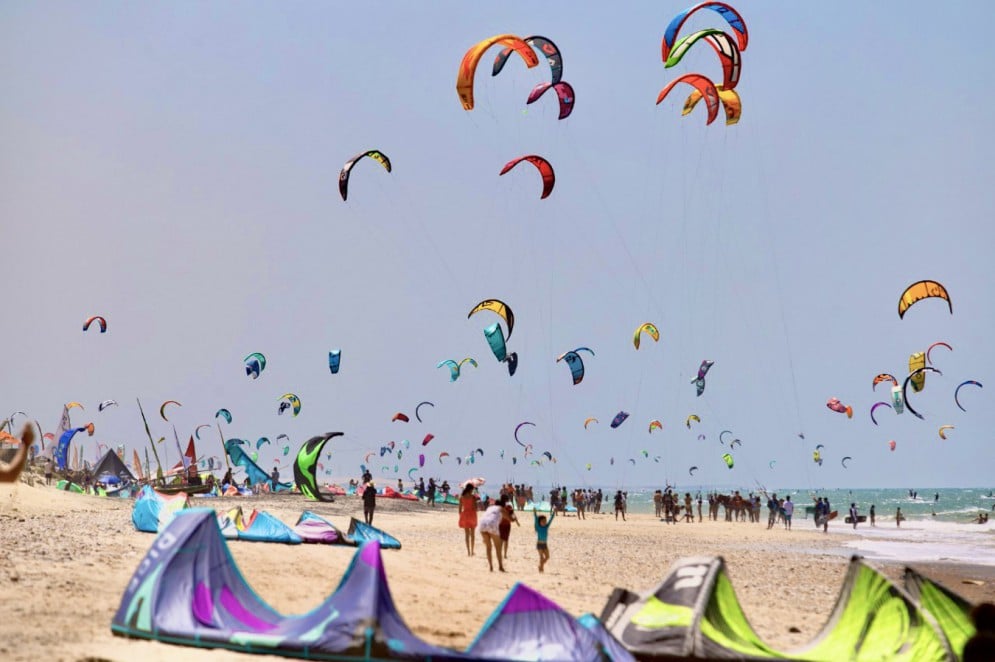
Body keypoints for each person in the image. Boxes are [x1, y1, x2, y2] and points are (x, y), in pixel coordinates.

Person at [478, 498, 506, 572]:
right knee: (498, 547)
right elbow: (509, 518)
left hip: (482, 524)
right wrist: (513, 519)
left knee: (488, 547)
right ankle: (500, 566)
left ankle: (491, 567)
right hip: (492, 524)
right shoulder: (501, 508)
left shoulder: (490, 508)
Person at [458, 483, 478, 557]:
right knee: (472, 535)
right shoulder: (473, 497)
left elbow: (460, 510)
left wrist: (461, 517)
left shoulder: (461, 497)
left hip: (465, 515)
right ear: (470, 489)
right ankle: (472, 551)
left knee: (467, 535)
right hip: (472, 515)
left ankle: (468, 552)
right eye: (472, 489)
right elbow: (475, 508)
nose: (473, 491)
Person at [534, 508, 555, 572]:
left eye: (545, 521)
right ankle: (541, 569)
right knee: (541, 557)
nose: (544, 522)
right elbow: (536, 519)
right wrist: (535, 513)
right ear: (539, 522)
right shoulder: (538, 527)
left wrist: (554, 513)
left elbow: (551, 520)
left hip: (545, 544)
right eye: (543, 521)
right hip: (539, 544)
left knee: (547, 557)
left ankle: (540, 566)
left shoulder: (546, 526)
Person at [499, 497, 519, 561]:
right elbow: (513, 514)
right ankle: (504, 554)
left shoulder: (499, 507)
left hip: (501, 524)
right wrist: (516, 521)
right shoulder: (508, 507)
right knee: (505, 540)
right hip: (506, 525)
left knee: (502, 540)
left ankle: (502, 554)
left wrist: (517, 521)